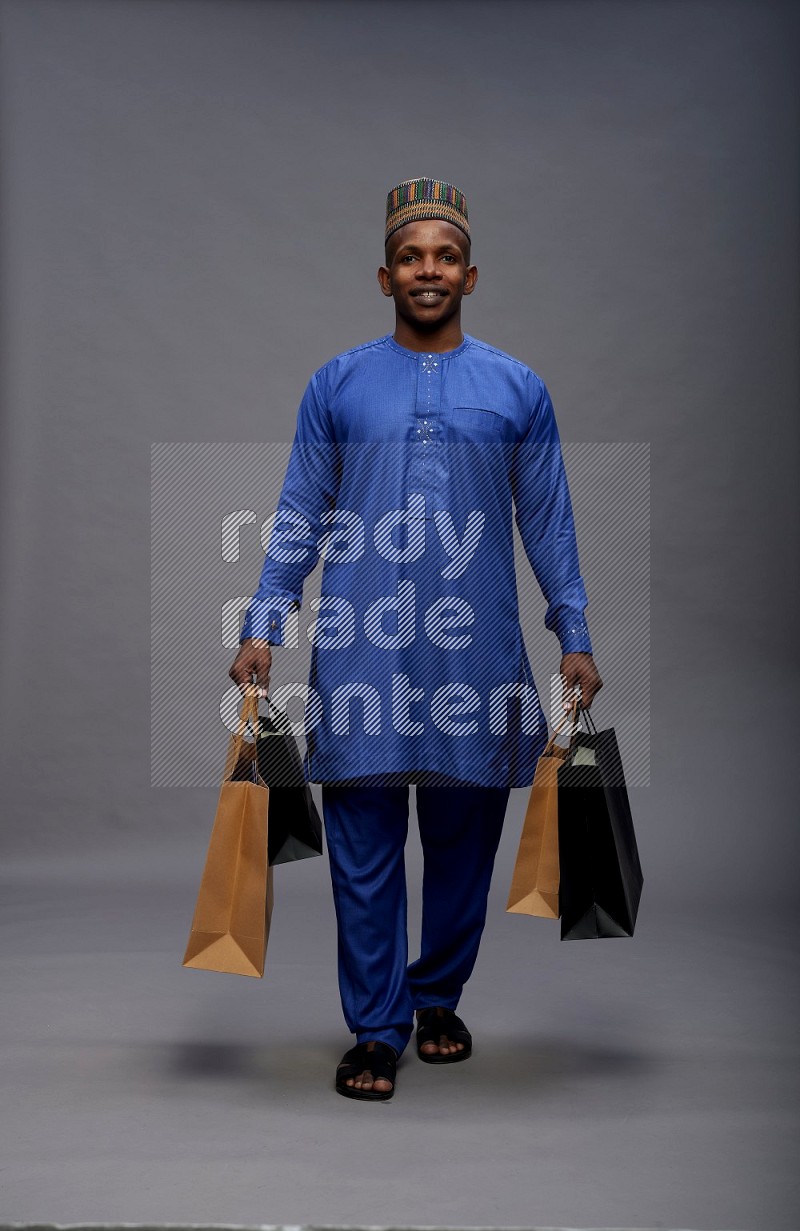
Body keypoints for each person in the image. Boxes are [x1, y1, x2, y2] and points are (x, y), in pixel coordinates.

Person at [229, 178, 602, 1101]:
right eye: (410, 257)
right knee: (362, 846)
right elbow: (297, 513)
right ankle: (375, 1027)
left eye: (443, 256)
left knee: (464, 844)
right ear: (384, 275)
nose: (426, 270)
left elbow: (548, 521)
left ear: (469, 274)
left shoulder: (518, 388)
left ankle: (437, 997)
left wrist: (576, 635)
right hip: (361, 647)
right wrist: (262, 623)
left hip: (475, 653)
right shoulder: (339, 383)